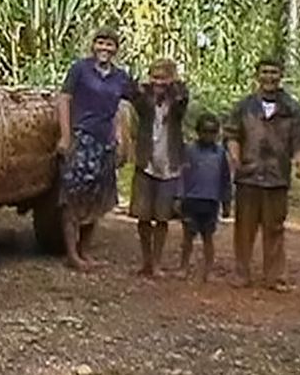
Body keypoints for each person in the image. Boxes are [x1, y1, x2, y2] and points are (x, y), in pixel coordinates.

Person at [223, 56, 300, 290]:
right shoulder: (244, 106)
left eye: (274, 72)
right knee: (244, 228)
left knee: (275, 228)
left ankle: (275, 277)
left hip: (277, 177)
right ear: (257, 75)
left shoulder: (291, 108)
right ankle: (241, 273)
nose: (269, 76)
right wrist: (235, 159)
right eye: (265, 72)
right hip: (248, 175)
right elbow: (232, 134)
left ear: (281, 75)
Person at [56, 27, 135, 271]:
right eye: (100, 43)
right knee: (73, 196)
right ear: (93, 45)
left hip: (105, 143)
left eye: (109, 44)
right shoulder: (80, 69)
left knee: (98, 199)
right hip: (82, 138)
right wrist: (66, 136)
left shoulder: (120, 77)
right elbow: (64, 100)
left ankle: (85, 250)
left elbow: (123, 107)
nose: (104, 48)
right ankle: (71, 253)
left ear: (116, 49)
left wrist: (122, 137)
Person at [128, 58, 189, 277]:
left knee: (163, 217)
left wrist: (174, 86)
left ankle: (157, 261)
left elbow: (181, 101)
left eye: (164, 78)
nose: (159, 82)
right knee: (143, 216)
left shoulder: (177, 101)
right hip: (146, 162)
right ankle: (146, 260)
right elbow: (132, 95)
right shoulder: (145, 101)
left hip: (169, 163)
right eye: (155, 77)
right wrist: (142, 86)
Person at [177, 112, 233, 282]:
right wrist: (178, 196)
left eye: (212, 132)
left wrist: (226, 202)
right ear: (198, 132)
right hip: (192, 199)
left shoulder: (220, 153)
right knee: (188, 236)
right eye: (205, 131)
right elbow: (181, 175)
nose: (208, 135)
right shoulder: (190, 150)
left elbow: (225, 178)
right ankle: (184, 267)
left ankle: (209, 269)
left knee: (208, 237)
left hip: (211, 200)